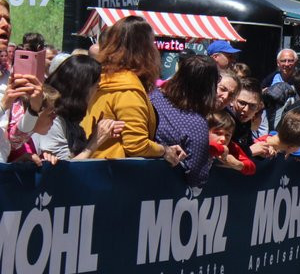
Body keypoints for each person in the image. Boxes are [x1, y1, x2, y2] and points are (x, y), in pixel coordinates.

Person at [83, 16, 185, 169]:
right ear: (144, 49)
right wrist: (165, 150)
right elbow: (136, 145)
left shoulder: (100, 78)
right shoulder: (128, 89)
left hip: (92, 167)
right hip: (114, 174)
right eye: (152, 43)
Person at [150, 53, 219, 187]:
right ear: (210, 87)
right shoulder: (196, 124)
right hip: (162, 190)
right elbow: (197, 176)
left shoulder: (152, 96)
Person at [38, 54, 124, 161]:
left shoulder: (70, 118)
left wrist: (96, 136)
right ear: (83, 89)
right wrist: (94, 143)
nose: (97, 91)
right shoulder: (52, 119)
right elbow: (64, 170)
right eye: (97, 86)